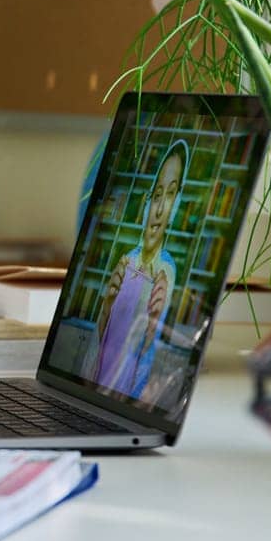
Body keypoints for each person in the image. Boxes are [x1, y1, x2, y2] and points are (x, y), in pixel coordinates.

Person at [89, 139, 188, 399]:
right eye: (157, 195)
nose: (159, 207)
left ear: (176, 205)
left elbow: (146, 350)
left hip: (124, 392)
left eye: (170, 195)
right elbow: (100, 340)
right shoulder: (126, 261)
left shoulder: (167, 269)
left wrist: (154, 321)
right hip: (99, 384)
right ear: (147, 203)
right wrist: (107, 305)